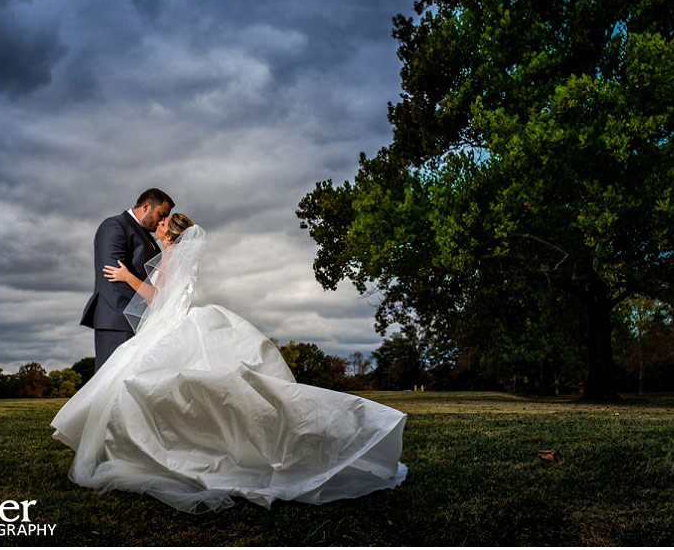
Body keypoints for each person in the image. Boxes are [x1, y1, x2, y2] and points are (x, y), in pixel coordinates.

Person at [51, 216, 407, 513]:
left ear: (170, 233)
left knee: (142, 383)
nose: (156, 226)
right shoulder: (174, 254)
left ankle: (161, 446)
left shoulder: (172, 256)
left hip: (173, 324)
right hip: (176, 322)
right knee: (150, 383)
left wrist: (128, 277)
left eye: (161, 223)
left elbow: (158, 297)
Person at [80, 189, 173, 372]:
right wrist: (149, 303)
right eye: (160, 214)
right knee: (111, 385)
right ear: (146, 206)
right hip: (118, 319)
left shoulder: (150, 238)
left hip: (142, 321)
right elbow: (113, 276)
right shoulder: (115, 226)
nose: (162, 221)